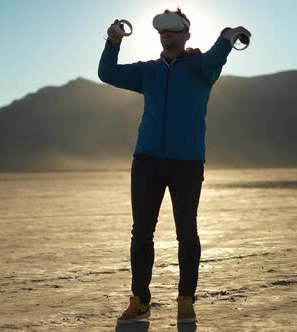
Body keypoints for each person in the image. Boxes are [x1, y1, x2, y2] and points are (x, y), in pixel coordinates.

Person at [98, 7, 250, 325]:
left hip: (187, 163)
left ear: (186, 35)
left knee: (186, 233)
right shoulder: (148, 71)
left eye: (174, 29)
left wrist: (228, 34)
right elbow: (107, 73)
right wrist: (113, 41)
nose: (167, 34)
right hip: (147, 161)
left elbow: (217, 57)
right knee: (141, 233)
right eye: (163, 30)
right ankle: (140, 300)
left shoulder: (200, 69)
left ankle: (185, 299)